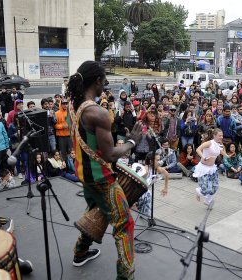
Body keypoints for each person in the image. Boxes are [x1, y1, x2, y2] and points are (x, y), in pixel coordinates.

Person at [67, 61, 142, 279]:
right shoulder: (98, 113)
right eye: (104, 82)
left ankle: (80, 252)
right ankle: (125, 276)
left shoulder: (75, 104)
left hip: (85, 174)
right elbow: (109, 154)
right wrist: (131, 142)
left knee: (95, 212)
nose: (105, 87)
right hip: (101, 178)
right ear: (98, 81)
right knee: (125, 222)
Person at [194, 128, 228, 206]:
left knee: (215, 187)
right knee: (206, 189)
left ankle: (207, 201)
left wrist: (227, 155)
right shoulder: (209, 143)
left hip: (212, 168)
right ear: (214, 135)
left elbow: (220, 151)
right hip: (204, 168)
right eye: (220, 136)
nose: (221, 137)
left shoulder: (219, 144)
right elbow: (198, 149)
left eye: (222, 135)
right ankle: (198, 191)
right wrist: (203, 157)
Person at [137, 152, 168, 216]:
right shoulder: (145, 171)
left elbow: (166, 174)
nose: (159, 162)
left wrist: (165, 188)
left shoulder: (156, 168)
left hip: (146, 194)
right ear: (151, 161)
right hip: (139, 195)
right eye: (157, 160)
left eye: (159, 159)